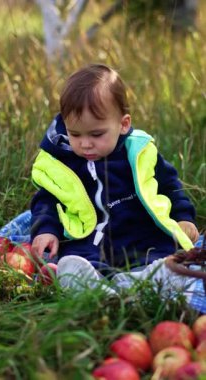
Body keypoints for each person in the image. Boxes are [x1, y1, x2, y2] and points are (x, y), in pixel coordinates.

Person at [30, 63, 199, 289]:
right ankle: (85, 282)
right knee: (73, 259)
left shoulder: (137, 154)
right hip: (89, 237)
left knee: (159, 255)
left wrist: (183, 217)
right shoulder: (62, 161)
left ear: (123, 124)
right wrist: (45, 230)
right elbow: (46, 200)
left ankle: (145, 279)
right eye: (75, 134)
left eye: (96, 134)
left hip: (139, 232)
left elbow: (170, 185)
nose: (85, 143)